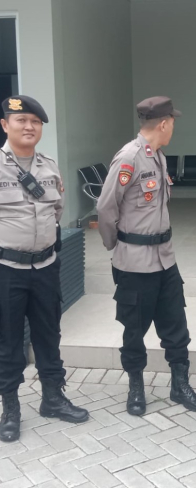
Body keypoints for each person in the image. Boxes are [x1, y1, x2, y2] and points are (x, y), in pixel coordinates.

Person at [97, 96, 196, 416]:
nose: (173, 127)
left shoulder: (158, 157)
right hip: (134, 263)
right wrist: (117, 246)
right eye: (172, 122)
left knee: (176, 326)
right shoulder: (129, 157)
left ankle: (179, 385)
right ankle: (136, 387)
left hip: (165, 259)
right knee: (134, 329)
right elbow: (105, 208)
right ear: (163, 124)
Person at [0, 96, 89, 443]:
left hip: (47, 267)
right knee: (8, 341)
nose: (29, 127)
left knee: (49, 335)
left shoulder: (50, 167)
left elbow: (56, 211)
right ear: (5, 125)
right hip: (7, 270)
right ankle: (10, 409)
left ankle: (53, 398)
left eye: (35, 122)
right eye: (21, 120)